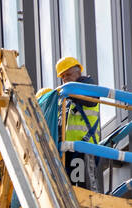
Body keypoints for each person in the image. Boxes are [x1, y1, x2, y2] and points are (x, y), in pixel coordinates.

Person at [37, 55, 100, 188]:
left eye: (68, 74)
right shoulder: (66, 98)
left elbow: (89, 99)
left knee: (84, 190)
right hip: (69, 149)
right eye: (63, 77)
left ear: (78, 72)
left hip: (84, 147)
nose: (65, 79)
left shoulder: (88, 86)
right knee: (69, 189)